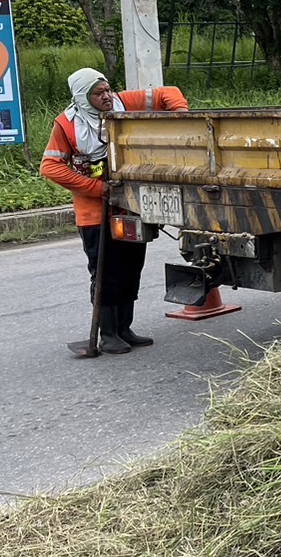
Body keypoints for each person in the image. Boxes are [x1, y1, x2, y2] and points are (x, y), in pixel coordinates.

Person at [40, 69, 189, 356]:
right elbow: (50, 167)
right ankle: (108, 334)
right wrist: (96, 188)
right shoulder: (67, 124)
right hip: (95, 212)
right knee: (106, 272)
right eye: (98, 93)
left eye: (107, 90)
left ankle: (124, 328)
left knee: (131, 266)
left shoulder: (123, 103)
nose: (107, 96)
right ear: (83, 97)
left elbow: (167, 93)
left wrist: (180, 115)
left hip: (130, 207)